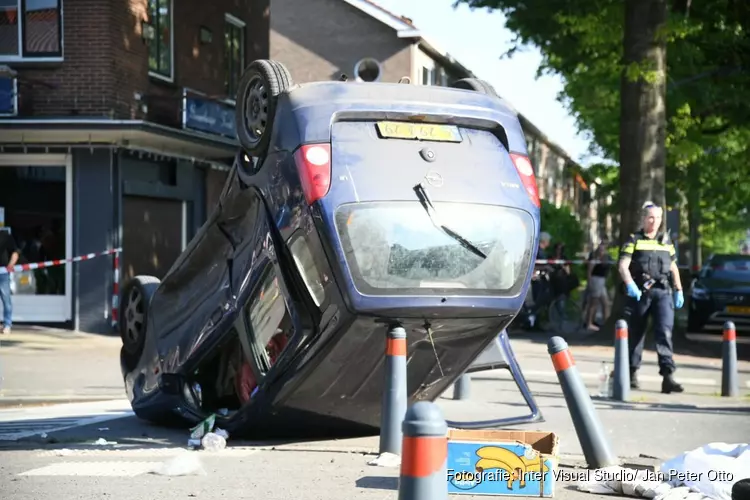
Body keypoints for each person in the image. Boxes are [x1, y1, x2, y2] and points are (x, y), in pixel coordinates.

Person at [617, 201, 684, 394]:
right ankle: (630, 373)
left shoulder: (666, 241)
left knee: (665, 332)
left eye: (658, 217)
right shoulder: (634, 240)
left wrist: (678, 289)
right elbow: (623, 265)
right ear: (644, 219)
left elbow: (673, 267)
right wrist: (629, 284)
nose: (654, 221)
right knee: (636, 333)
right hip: (641, 293)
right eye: (651, 217)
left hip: (663, 293)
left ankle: (667, 376)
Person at [585, 240, 612, 331]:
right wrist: (589, 282)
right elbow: (589, 271)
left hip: (602, 280)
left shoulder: (607, 257)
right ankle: (589, 323)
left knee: (605, 303)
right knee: (594, 302)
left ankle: (607, 323)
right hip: (595, 280)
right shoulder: (594, 258)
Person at [0, 228, 20, 334]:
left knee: (6, 299)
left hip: (2, 273)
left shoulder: (5, 236)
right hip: (3, 272)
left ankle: (7, 324)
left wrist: (10, 265)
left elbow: (15, 251)